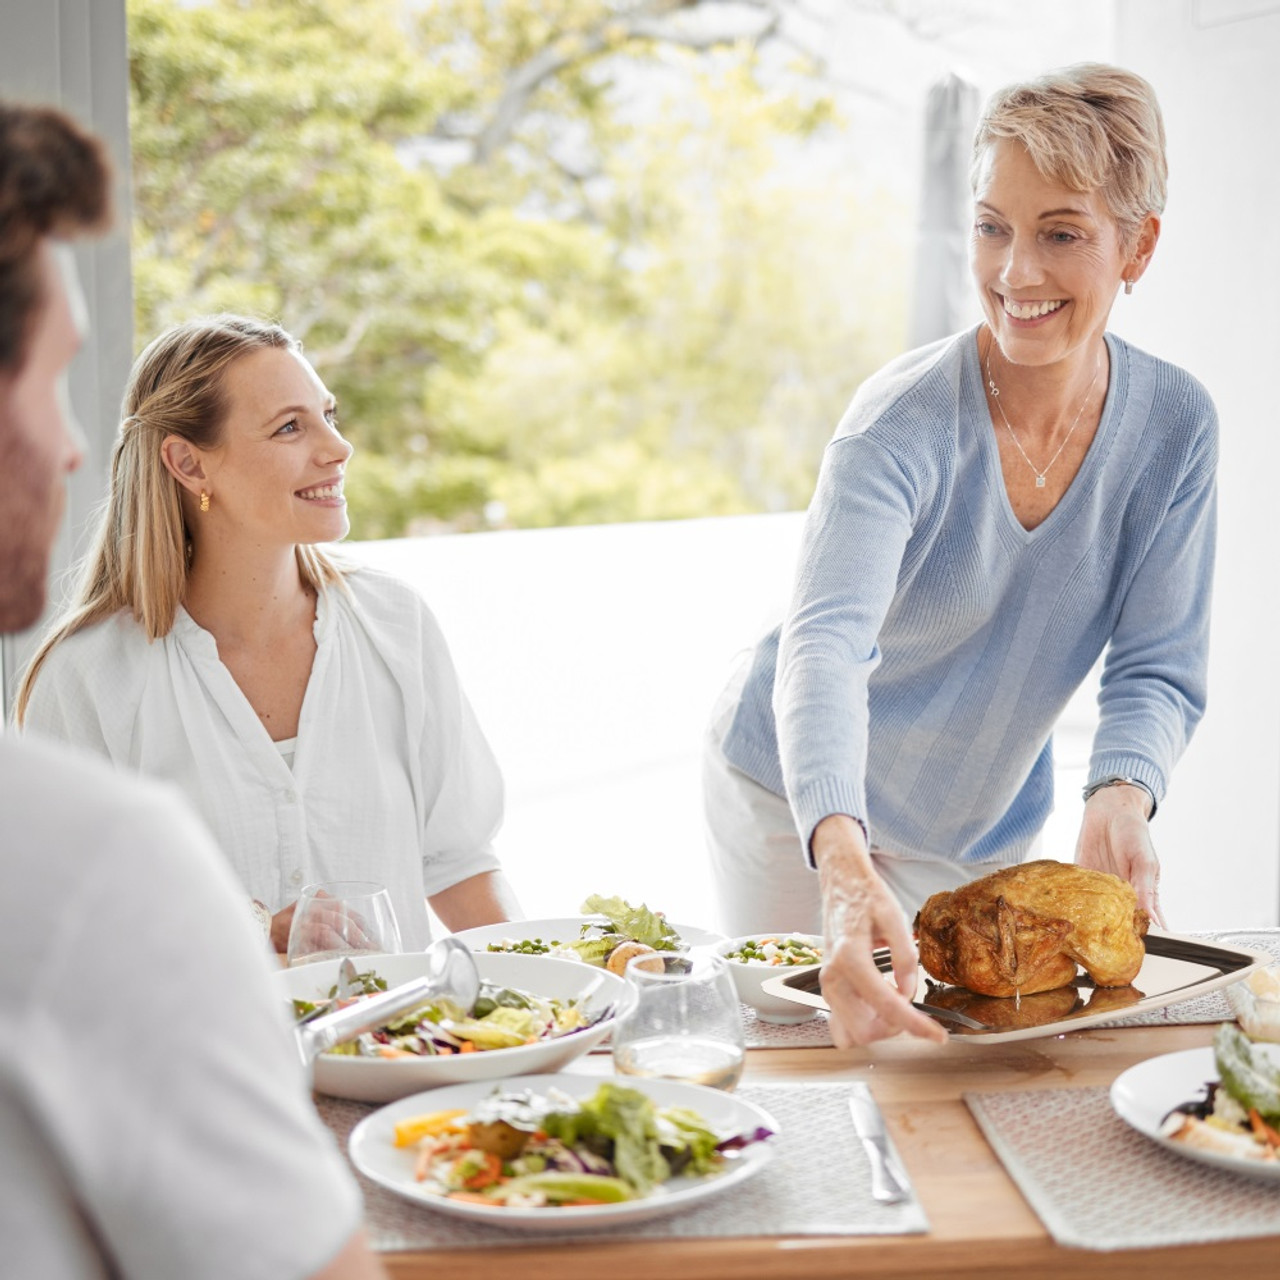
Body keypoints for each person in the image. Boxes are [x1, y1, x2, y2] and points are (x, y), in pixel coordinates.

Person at [702, 64, 1216, 1048]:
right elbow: (825, 650)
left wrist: (1120, 787)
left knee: (959, 1069)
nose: (1014, 271)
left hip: (973, 823)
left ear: (1135, 245)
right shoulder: (894, 424)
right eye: (991, 227)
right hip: (795, 798)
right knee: (819, 1055)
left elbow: (1157, 659)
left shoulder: (1175, 425)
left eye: (1058, 232)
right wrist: (842, 864)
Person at [0, 98, 386, 1279]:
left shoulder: (390, 628)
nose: (72, 446)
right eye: (50, 381)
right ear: (191, 464)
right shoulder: (89, 851)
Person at [17, 313, 521, 952]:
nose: (337, 448)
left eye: (328, 416)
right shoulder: (88, 677)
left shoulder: (398, 625)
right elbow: (66, 925)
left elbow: (460, 861)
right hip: (197, 1054)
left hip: (405, 1051)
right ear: (188, 465)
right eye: (290, 427)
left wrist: (556, 1005)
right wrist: (255, 930)